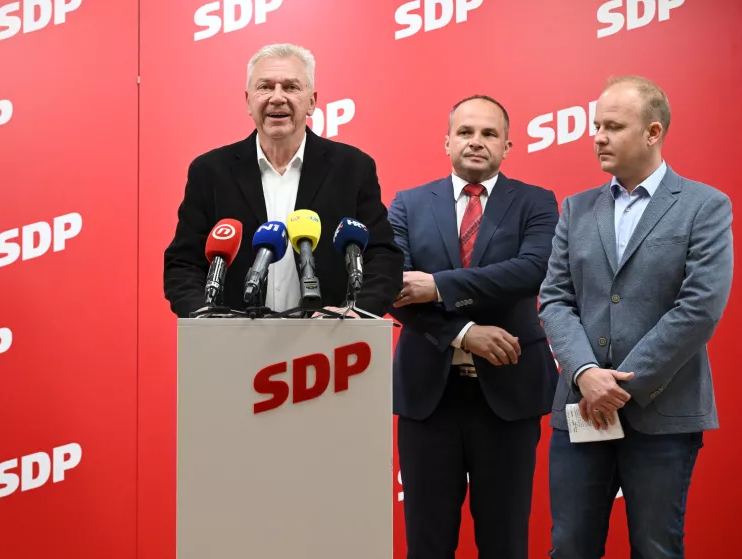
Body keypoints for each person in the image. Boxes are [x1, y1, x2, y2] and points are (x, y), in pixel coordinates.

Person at [539, 76, 733, 558]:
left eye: (613, 126)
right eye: (596, 125)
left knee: (656, 549)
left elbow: (700, 307)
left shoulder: (704, 206)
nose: (598, 136)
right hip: (580, 411)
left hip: (662, 416)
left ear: (652, 132)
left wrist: (620, 384)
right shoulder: (577, 208)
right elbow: (554, 299)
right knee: (570, 548)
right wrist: (585, 375)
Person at [388, 95, 560, 559]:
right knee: (427, 542)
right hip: (429, 397)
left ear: (508, 145)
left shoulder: (536, 202)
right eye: (466, 132)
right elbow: (392, 289)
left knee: (504, 542)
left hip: (509, 394)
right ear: (447, 142)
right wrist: (464, 335)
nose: (476, 142)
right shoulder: (406, 204)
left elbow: (531, 270)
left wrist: (438, 286)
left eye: (488, 134)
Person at [163, 43, 403, 318]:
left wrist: (357, 312)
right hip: (233, 341)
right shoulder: (210, 171)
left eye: (291, 87)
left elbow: (383, 257)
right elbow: (183, 262)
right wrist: (203, 313)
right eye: (265, 87)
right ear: (248, 100)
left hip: (327, 342)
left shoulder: (353, 168)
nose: (277, 97)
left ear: (312, 101)